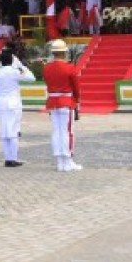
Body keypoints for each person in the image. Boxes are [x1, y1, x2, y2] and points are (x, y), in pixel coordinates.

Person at [0, 50, 35, 167]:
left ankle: (7, 158)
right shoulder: (15, 72)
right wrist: (20, 65)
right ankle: (13, 158)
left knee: (5, 132)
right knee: (14, 132)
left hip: (2, 104)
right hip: (14, 105)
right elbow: (32, 78)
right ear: (12, 60)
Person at [42, 40, 82, 172]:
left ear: (53, 53)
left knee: (57, 131)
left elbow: (48, 84)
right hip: (66, 102)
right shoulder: (70, 67)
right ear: (64, 53)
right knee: (67, 132)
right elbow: (76, 88)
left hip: (53, 102)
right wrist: (77, 100)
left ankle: (60, 162)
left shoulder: (47, 68)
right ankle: (68, 161)